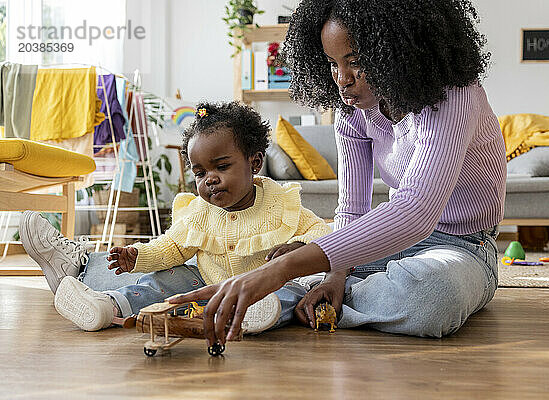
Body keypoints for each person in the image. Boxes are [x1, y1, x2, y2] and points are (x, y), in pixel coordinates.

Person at [168, 0, 507, 347]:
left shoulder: (453, 97)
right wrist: (336, 272)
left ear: (398, 50)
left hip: (462, 245)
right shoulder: (352, 112)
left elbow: (414, 212)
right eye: (332, 64)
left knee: (433, 296)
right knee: (305, 259)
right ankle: (295, 301)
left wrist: (285, 272)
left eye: (356, 63)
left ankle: (299, 304)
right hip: (384, 244)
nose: (342, 80)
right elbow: (351, 211)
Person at [19, 101, 331, 332]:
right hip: (206, 282)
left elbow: (322, 233)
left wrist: (299, 246)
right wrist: (137, 256)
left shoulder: (280, 204)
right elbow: (169, 248)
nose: (209, 179)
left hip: (263, 287)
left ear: (255, 162)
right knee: (167, 279)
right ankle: (108, 306)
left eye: (221, 167)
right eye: (200, 172)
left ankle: (253, 313)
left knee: (292, 290)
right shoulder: (198, 213)